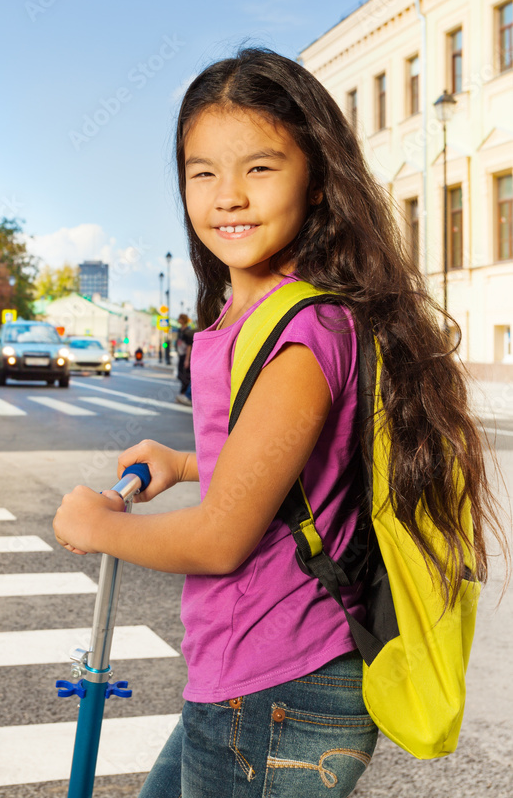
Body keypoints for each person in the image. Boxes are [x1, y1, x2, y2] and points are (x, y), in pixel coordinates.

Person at [52, 48, 507, 797]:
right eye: (203, 172)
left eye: (259, 168)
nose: (227, 196)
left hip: (273, 691)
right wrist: (184, 460)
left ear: (318, 181)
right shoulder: (262, 313)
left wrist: (96, 525)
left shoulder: (299, 334)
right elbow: (291, 460)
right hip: (258, 681)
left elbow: (221, 538)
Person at [175, 313, 194, 406]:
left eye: (179, 318)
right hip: (181, 355)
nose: (178, 319)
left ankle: (183, 394)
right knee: (180, 374)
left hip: (186, 356)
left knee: (185, 375)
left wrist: (187, 359)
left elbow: (189, 346)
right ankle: (182, 393)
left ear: (183, 320)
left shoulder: (188, 331)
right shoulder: (179, 330)